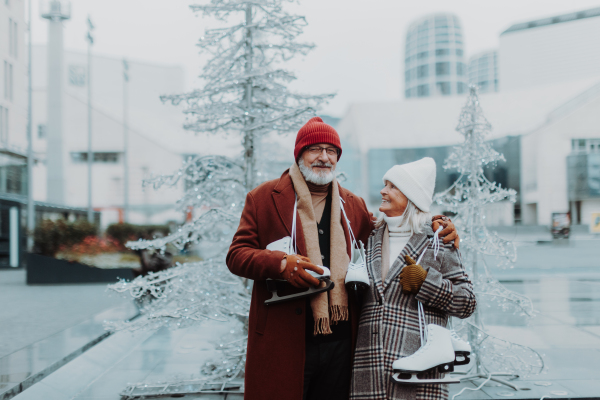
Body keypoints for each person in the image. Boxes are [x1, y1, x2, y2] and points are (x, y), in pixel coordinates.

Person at [226, 118, 459, 400]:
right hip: (283, 338)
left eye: (331, 150)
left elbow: (393, 228)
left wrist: (437, 222)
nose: (324, 157)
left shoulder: (353, 204)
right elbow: (237, 255)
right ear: (299, 154)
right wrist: (282, 264)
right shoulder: (263, 198)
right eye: (315, 149)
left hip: (342, 342)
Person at [350, 157, 477, 400]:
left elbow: (468, 302)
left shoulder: (438, 240)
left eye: (392, 186)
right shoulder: (371, 235)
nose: (382, 191)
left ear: (411, 196)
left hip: (419, 372)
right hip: (368, 370)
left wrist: (426, 283)